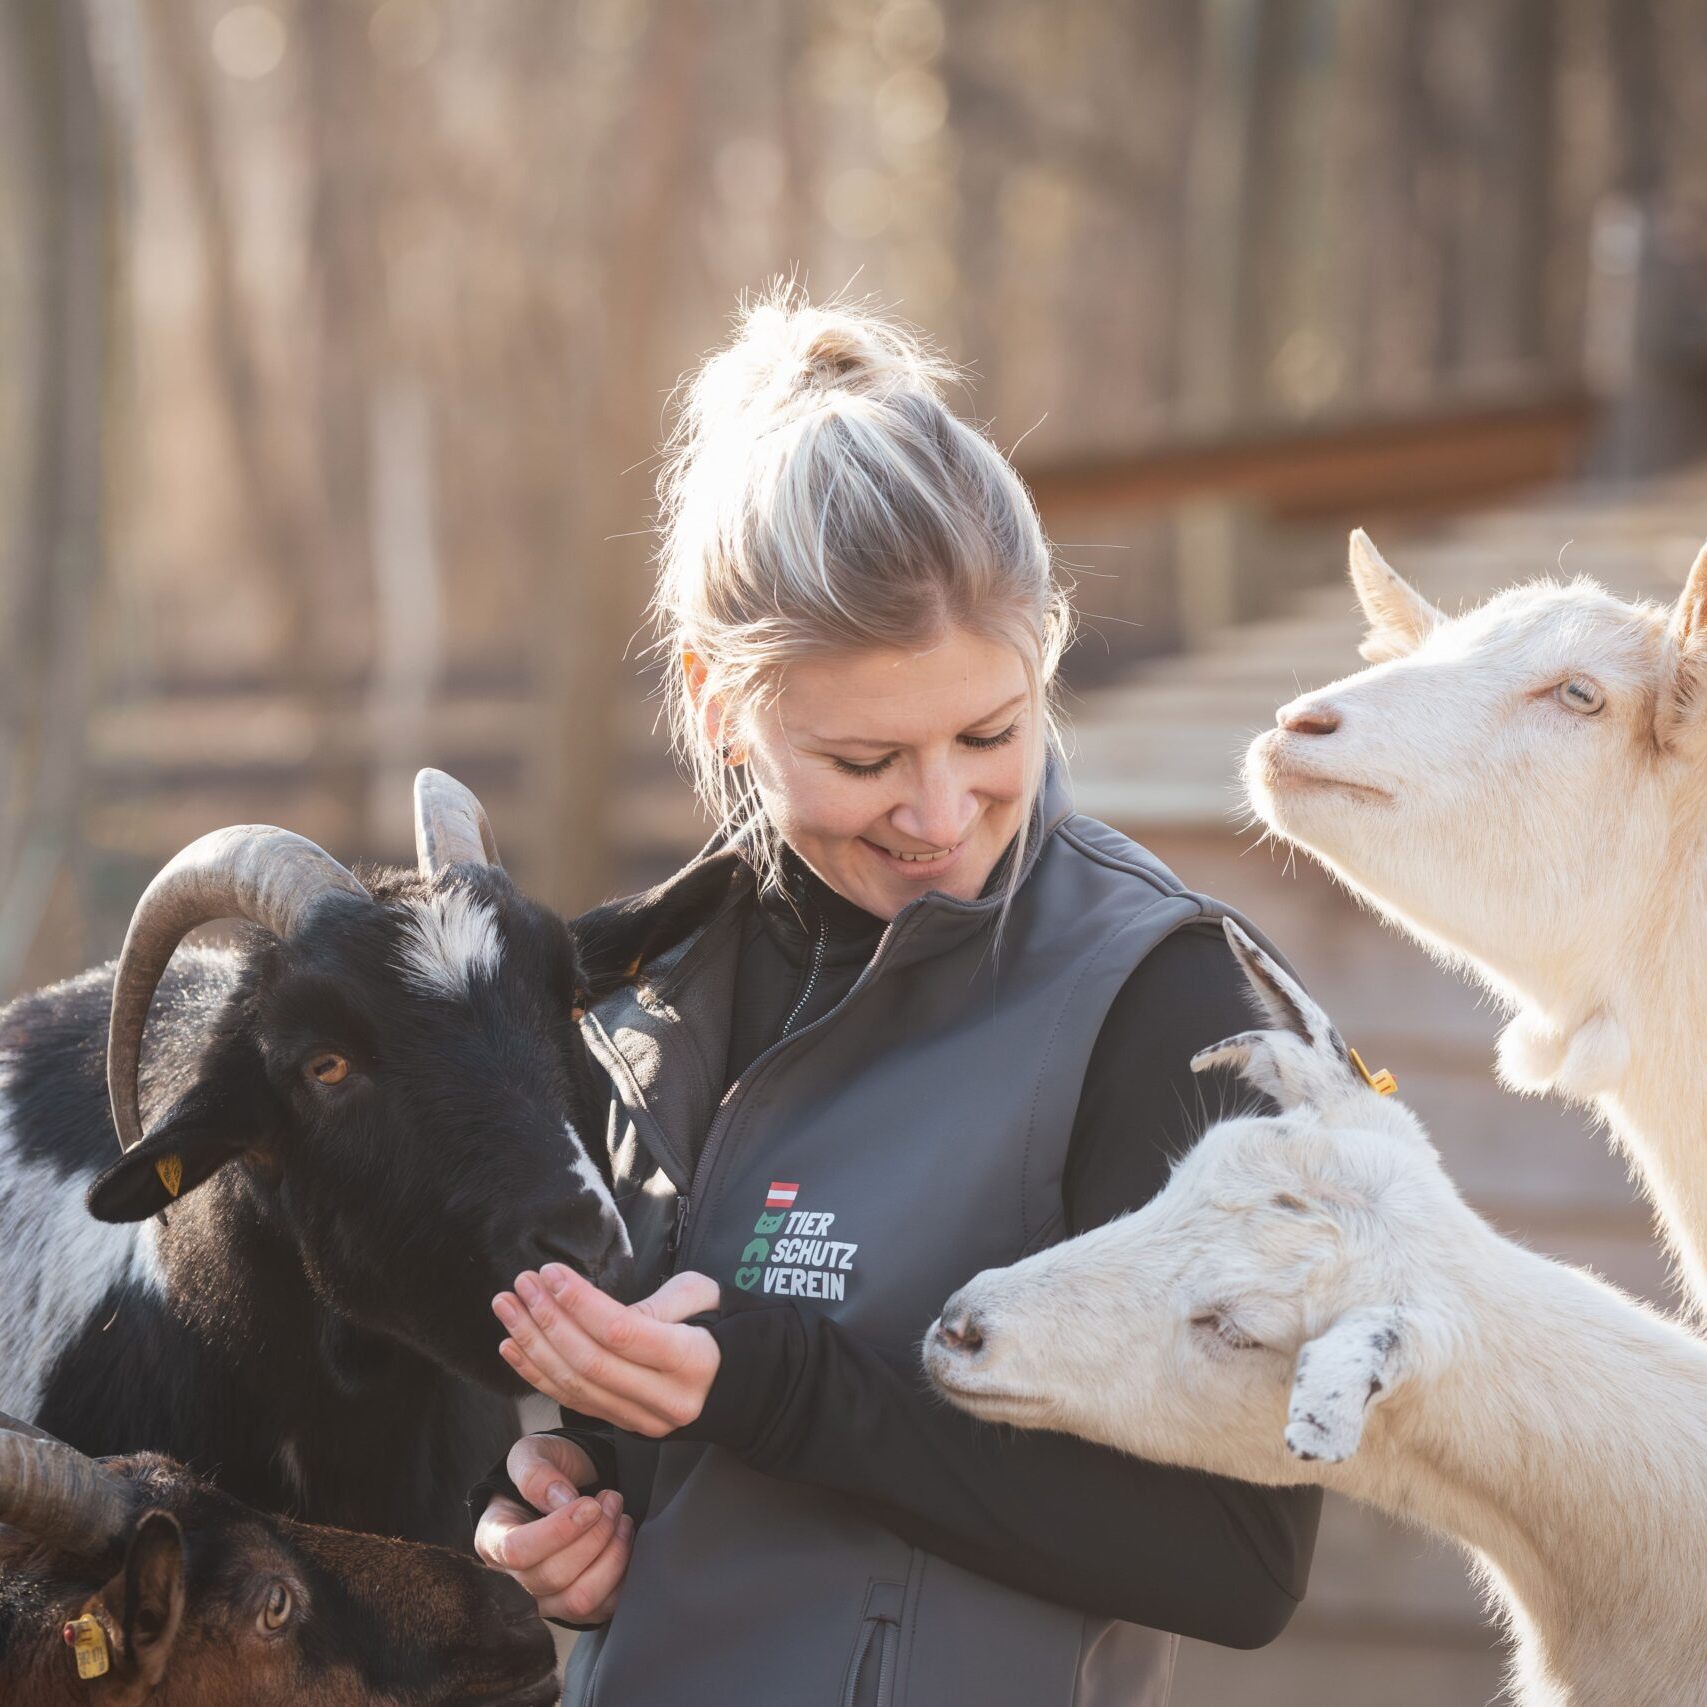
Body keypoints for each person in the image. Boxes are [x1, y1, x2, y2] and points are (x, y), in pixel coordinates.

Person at [469, 292, 1320, 1707]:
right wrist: (576, 1508)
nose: (942, 814)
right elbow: (679, 1445)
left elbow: (1239, 1557)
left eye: (991, 733)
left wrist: (785, 1389)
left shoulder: (1158, 997)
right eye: (867, 760)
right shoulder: (641, 998)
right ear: (720, 700)